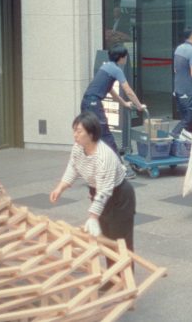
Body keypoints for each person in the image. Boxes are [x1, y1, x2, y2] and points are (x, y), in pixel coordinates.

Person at [50, 112, 136, 268]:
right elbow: (73, 166)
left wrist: (93, 216)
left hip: (119, 196)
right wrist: (60, 187)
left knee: (120, 239)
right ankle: (112, 278)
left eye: (79, 131)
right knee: (107, 238)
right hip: (98, 193)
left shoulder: (104, 156)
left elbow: (105, 191)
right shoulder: (78, 147)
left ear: (91, 133)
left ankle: (125, 281)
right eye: (74, 130)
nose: (75, 135)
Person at [81, 44, 145, 156]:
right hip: (94, 103)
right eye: (125, 56)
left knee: (91, 133)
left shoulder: (106, 66)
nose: (126, 58)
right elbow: (128, 90)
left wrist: (124, 103)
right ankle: (118, 165)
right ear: (120, 57)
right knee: (105, 134)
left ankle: (92, 160)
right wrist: (139, 106)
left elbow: (110, 90)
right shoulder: (116, 70)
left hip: (86, 102)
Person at [172, 27, 192, 138]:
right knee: (188, 119)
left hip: (178, 89)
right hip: (188, 90)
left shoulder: (178, 48)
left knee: (188, 121)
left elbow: (177, 69)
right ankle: (172, 137)